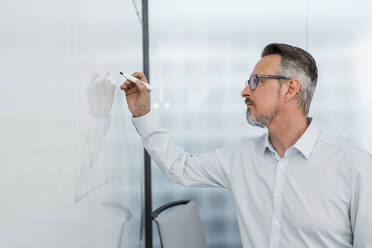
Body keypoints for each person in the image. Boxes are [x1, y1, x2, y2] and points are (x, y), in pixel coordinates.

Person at [120, 43, 372, 248]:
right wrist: (142, 113)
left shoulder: (355, 166)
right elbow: (179, 168)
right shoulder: (240, 157)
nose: (244, 91)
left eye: (256, 81)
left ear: (291, 88)